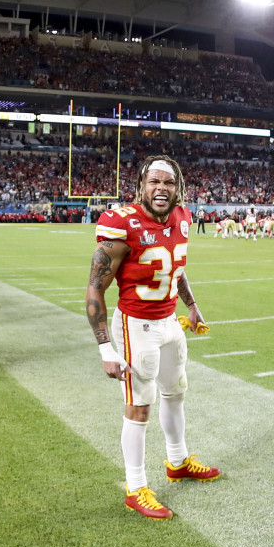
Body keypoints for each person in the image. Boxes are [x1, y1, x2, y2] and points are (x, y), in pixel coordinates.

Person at [85, 155, 219, 520]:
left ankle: (177, 462)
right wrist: (105, 348)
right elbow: (95, 288)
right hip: (135, 325)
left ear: (179, 187)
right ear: (142, 185)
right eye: (155, 182)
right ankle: (135, 486)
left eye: (169, 183)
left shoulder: (183, 217)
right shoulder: (121, 223)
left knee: (176, 393)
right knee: (139, 406)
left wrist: (191, 304)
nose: (162, 188)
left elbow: (177, 268)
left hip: (169, 322)